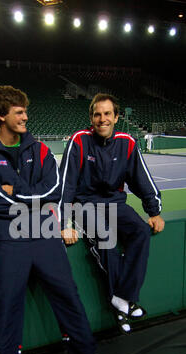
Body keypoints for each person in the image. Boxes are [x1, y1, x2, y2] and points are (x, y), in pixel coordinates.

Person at [0, 86, 117, 354]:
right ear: (2, 115)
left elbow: (52, 192)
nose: (25, 116)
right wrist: (24, 198)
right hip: (5, 242)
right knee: (6, 314)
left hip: (46, 236)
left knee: (70, 300)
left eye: (25, 111)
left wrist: (15, 193)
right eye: (19, 112)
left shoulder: (41, 150)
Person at [60, 93, 165, 335]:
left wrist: (154, 211)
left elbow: (142, 179)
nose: (102, 119)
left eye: (108, 114)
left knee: (140, 231)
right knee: (106, 237)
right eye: (97, 114)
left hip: (114, 203)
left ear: (116, 117)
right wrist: (63, 222)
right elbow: (65, 185)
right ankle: (124, 301)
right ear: (91, 118)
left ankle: (122, 298)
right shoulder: (78, 141)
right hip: (83, 205)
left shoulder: (127, 142)